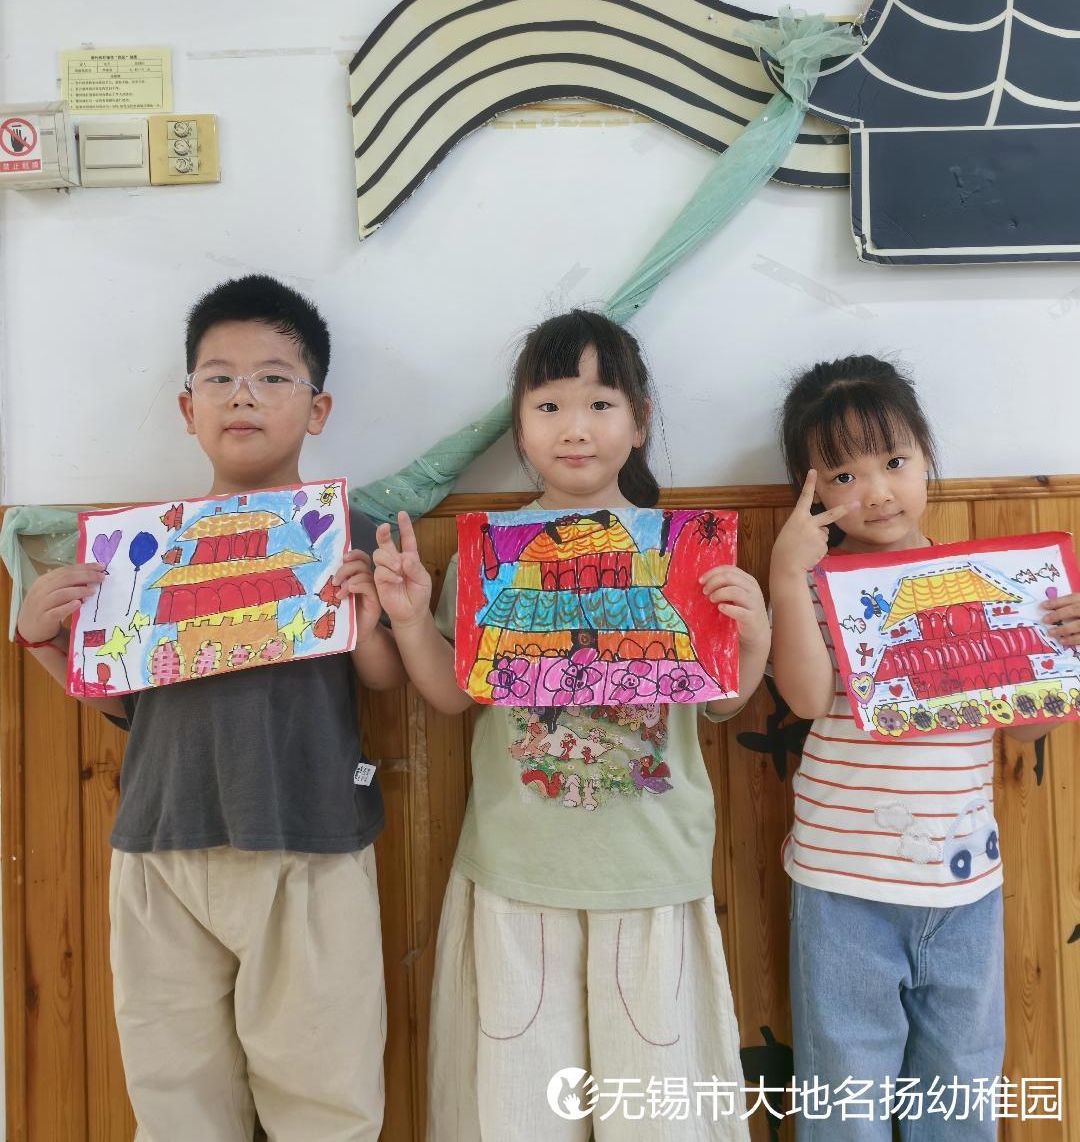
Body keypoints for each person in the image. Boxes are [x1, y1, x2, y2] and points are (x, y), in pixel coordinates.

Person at [15, 274, 403, 1141]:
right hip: (161, 842)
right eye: (219, 378)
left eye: (273, 377)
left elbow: (382, 681)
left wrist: (375, 615)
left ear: (317, 407)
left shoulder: (349, 533)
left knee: (327, 1102)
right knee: (176, 1103)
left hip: (310, 840)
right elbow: (125, 705)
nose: (243, 396)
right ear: (188, 408)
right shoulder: (137, 549)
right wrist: (42, 640)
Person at [373, 309, 770, 1141]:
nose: (575, 428)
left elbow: (723, 703)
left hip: (652, 873)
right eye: (549, 406)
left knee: (658, 1114)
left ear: (639, 420)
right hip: (518, 873)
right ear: (519, 427)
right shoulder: (490, 556)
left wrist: (755, 636)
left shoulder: (685, 554)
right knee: (519, 1110)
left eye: (599, 404)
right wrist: (409, 618)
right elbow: (453, 696)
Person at [769, 354, 1067, 1141]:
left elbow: (1024, 727)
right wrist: (787, 573)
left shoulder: (990, 585)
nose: (875, 491)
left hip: (966, 884)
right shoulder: (814, 585)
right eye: (844, 475)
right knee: (844, 1097)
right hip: (843, 884)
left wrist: (1063, 660)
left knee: (961, 1091)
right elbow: (805, 699)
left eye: (894, 461)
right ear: (810, 490)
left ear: (926, 458)